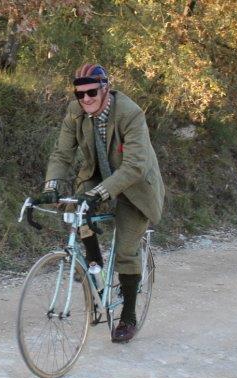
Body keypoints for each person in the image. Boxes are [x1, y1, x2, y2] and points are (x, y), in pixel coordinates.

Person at [35, 63, 165, 343]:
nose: (86, 99)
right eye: (79, 94)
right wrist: (51, 186)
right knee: (76, 211)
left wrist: (101, 193)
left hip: (135, 185)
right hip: (97, 175)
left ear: (105, 88)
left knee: (126, 250)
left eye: (92, 92)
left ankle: (128, 316)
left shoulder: (130, 113)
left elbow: (134, 166)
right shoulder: (76, 112)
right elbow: (62, 153)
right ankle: (95, 265)